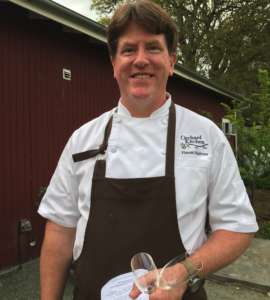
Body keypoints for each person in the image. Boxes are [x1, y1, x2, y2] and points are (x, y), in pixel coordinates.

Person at [38, 1, 258, 299]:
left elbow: (238, 226)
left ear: (172, 61)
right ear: (114, 63)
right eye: (129, 50)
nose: (140, 60)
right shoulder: (82, 141)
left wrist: (184, 272)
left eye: (153, 48)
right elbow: (60, 231)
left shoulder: (206, 137)